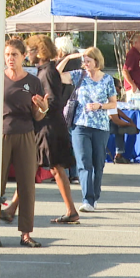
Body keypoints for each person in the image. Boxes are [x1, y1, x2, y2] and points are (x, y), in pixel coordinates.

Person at [0, 38, 49, 248]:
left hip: (26, 134)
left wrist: (43, 108)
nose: (10, 59)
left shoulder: (33, 81)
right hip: (1, 134)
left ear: (23, 56)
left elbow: (38, 116)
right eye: (7, 54)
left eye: (15, 55)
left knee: (27, 184)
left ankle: (26, 234)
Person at [24, 35, 79, 225]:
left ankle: (71, 210)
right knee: (35, 168)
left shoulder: (47, 72)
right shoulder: (44, 70)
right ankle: (13, 207)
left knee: (53, 169)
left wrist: (41, 106)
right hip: (47, 125)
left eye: (30, 50)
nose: (27, 55)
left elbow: (54, 100)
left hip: (49, 126)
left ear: (39, 51)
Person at [57, 47, 117, 213]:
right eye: (85, 61)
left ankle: (94, 195)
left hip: (100, 127)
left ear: (97, 62)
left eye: (89, 61)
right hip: (80, 125)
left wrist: (100, 106)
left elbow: (113, 103)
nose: (86, 63)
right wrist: (69, 57)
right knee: (84, 162)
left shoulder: (107, 80)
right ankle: (87, 199)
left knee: (98, 163)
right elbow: (55, 75)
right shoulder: (79, 75)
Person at [55, 35, 81, 183]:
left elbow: (56, 74)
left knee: (65, 140)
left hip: (64, 104)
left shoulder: (64, 63)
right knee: (71, 140)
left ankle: (66, 172)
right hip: (73, 102)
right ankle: (73, 173)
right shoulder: (77, 61)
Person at [107, 77, 138, 164]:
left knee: (120, 128)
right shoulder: (108, 98)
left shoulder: (109, 96)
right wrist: (129, 125)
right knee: (119, 129)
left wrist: (128, 120)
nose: (120, 90)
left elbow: (116, 110)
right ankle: (119, 155)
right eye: (119, 87)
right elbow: (115, 119)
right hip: (102, 124)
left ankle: (119, 154)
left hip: (106, 121)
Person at [122, 34, 140, 101]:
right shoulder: (132, 54)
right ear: (135, 43)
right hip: (134, 88)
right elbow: (125, 71)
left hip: (139, 86)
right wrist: (132, 85)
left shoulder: (137, 54)